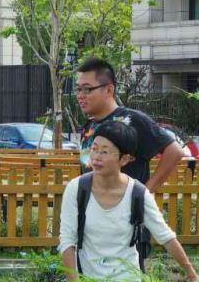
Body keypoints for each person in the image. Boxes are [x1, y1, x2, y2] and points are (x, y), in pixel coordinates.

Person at [59, 121, 199, 282]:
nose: (96, 156)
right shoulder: (77, 189)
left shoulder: (138, 193)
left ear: (125, 160)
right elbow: (67, 242)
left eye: (105, 152)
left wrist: (192, 274)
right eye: (94, 148)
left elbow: (165, 236)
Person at [75, 58, 186, 191]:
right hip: (93, 207)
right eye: (78, 89)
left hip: (125, 209)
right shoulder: (89, 126)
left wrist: (146, 191)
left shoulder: (132, 120)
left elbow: (175, 151)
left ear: (109, 90)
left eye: (87, 89)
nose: (80, 95)